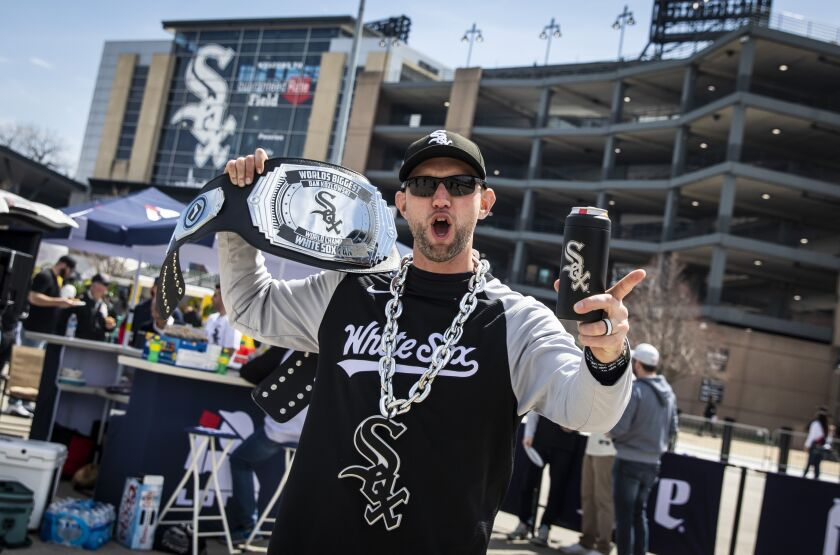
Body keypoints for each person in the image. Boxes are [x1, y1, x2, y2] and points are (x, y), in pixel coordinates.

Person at [219, 130, 645, 554]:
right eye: (424, 185)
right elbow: (252, 306)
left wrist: (608, 355)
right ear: (403, 204)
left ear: (484, 203)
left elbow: (590, 413)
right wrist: (237, 213)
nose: (441, 198)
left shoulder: (517, 321)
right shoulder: (348, 289)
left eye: (460, 185)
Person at [225, 347, 314, 542]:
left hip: (280, 431)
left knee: (239, 461)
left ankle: (246, 527)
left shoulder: (291, 346)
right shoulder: (338, 349)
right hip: (312, 438)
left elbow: (249, 372)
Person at [609, 342, 678, 555]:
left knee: (624, 517)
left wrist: (606, 430)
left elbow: (619, 429)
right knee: (639, 514)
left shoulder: (636, 390)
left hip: (629, 461)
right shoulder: (669, 393)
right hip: (652, 463)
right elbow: (673, 429)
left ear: (637, 364)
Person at [506, 413, 580, 547]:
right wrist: (529, 433)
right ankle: (524, 523)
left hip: (565, 445)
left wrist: (575, 424)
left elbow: (584, 411)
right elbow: (536, 407)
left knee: (557, 488)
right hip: (539, 440)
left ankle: (545, 527)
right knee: (528, 483)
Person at [560, 431, 616, 555]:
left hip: (609, 452)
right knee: (588, 497)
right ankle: (586, 542)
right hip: (591, 449)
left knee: (604, 501)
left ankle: (603, 548)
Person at [21, 255, 79, 346]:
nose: (69, 274)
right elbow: (33, 297)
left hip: (44, 332)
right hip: (34, 331)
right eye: (70, 270)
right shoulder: (45, 276)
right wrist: (60, 302)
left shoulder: (55, 279)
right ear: (63, 265)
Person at [58, 274, 116, 341]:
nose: (101, 287)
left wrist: (110, 326)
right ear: (92, 284)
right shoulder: (79, 300)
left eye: (105, 285)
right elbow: (63, 320)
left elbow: (110, 325)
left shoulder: (107, 306)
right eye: (99, 284)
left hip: (96, 343)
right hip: (76, 341)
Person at [205, 284, 241, 350]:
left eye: (215, 295)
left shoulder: (233, 321)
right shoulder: (212, 318)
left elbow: (230, 350)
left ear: (223, 297)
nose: (212, 298)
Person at [803, 408, 830, 479]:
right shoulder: (825, 426)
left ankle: (803, 478)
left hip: (814, 446)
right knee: (817, 465)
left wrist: (807, 445)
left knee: (809, 463)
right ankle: (816, 479)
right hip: (821, 447)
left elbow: (812, 436)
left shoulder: (816, 424)